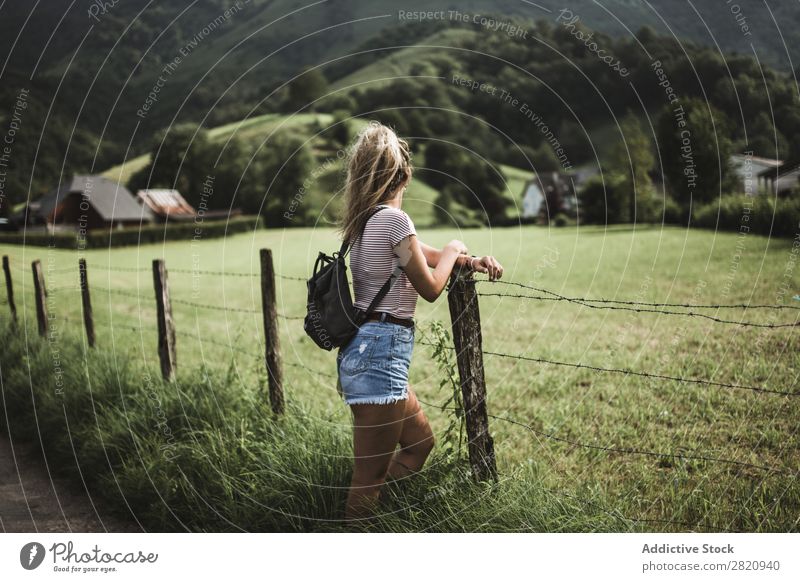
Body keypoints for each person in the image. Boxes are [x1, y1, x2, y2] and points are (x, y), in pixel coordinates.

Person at [335, 121, 504, 523]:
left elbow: (422, 254)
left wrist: (470, 261)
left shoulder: (365, 223)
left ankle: (380, 519)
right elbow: (430, 287)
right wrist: (454, 247)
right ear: (403, 176)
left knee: (419, 444)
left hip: (365, 350)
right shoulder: (395, 221)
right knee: (367, 481)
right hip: (381, 355)